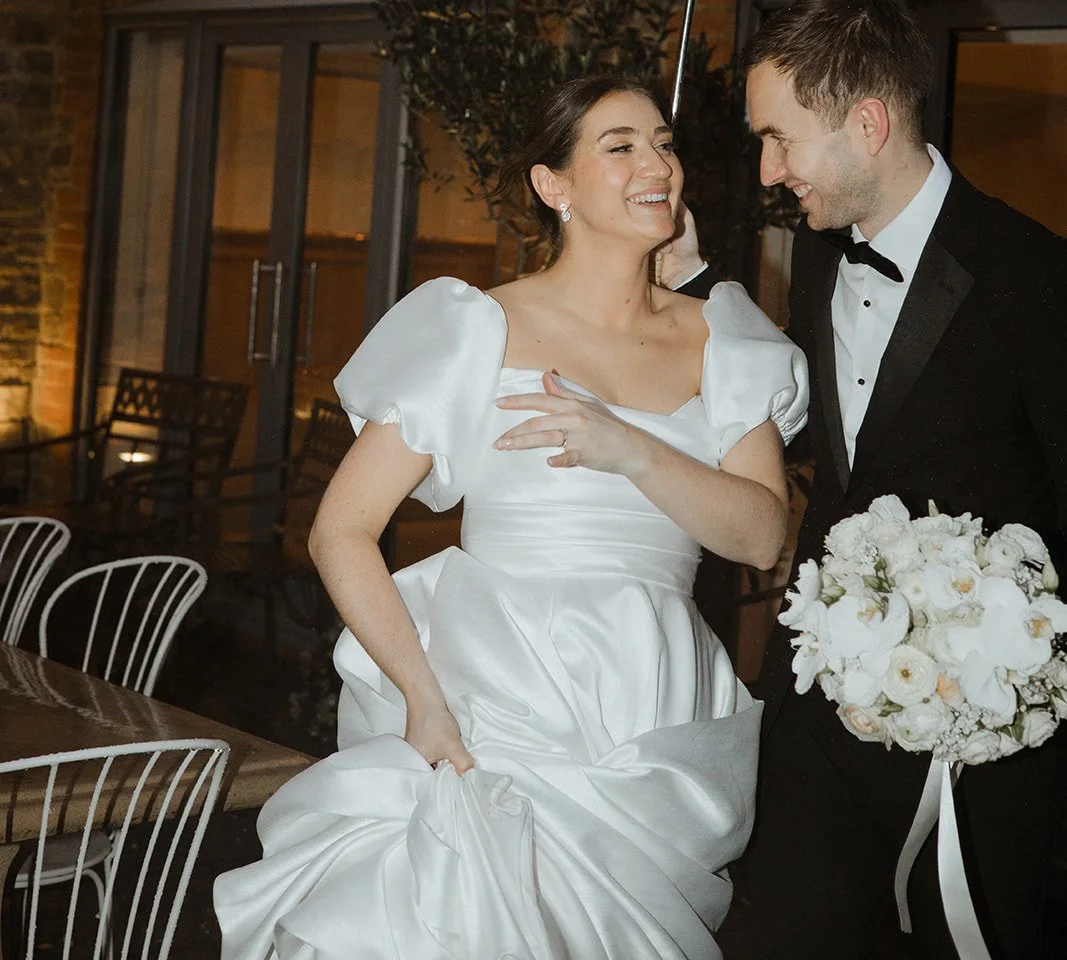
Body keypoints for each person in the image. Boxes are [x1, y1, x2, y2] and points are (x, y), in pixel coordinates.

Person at [214, 73, 808, 960]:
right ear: (552, 185)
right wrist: (421, 698)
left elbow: (761, 536)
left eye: (664, 143)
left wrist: (633, 450)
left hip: (650, 703)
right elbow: (339, 531)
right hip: (494, 689)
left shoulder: (723, 336)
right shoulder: (476, 327)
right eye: (621, 147)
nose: (657, 165)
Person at [667, 0, 1067, 960]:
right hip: (812, 721)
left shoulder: (1035, 279)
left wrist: (997, 658)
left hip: (972, 749)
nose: (766, 170)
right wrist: (682, 285)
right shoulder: (815, 256)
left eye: (779, 139)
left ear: (868, 123)